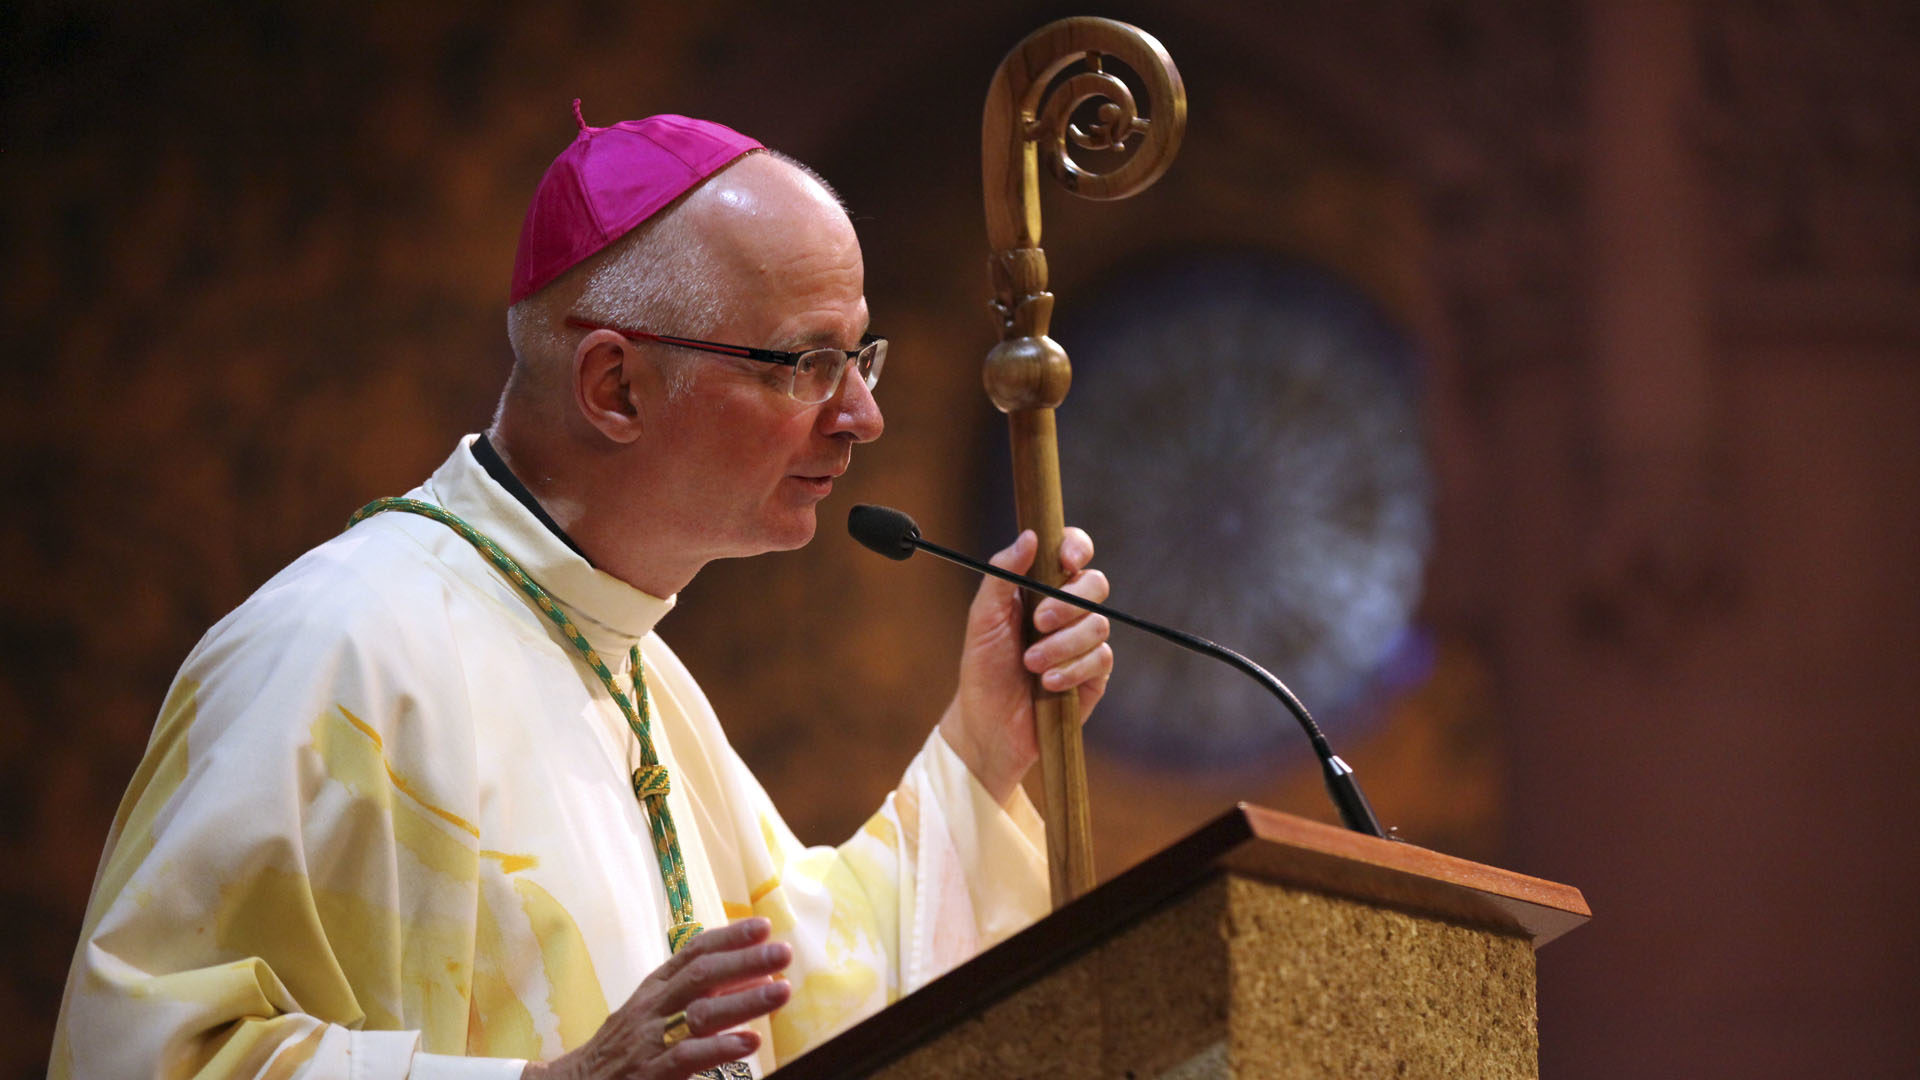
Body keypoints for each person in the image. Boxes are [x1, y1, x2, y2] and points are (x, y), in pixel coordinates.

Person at [50, 108, 1113, 1080]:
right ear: (615, 386)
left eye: (859, 355)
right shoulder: (336, 648)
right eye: (806, 362)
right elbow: (143, 1059)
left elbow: (808, 1001)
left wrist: (984, 749)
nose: (860, 415)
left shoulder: (631, 667)